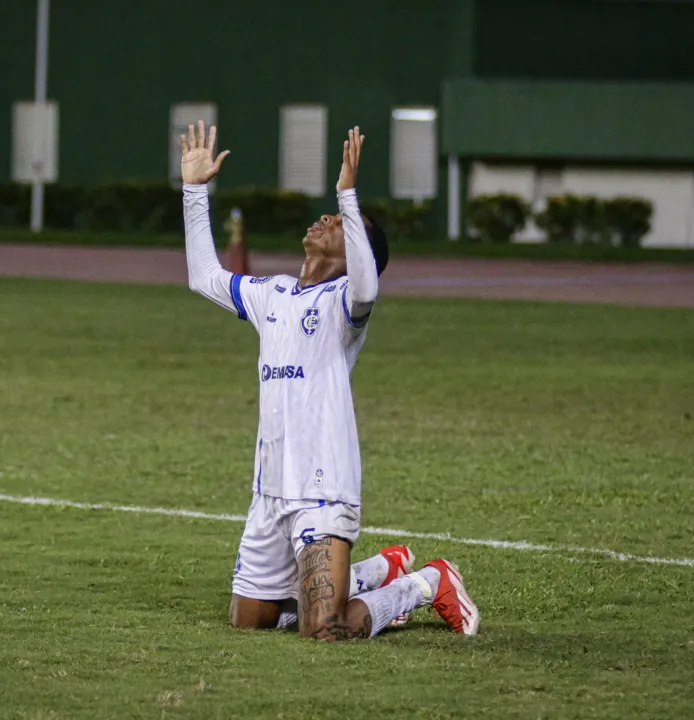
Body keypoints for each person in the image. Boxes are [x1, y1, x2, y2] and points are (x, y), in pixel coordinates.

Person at [181, 121, 479, 639]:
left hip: (323, 491)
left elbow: (367, 285)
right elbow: (202, 276)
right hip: (269, 492)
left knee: (326, 627)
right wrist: (194, 190)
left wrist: (348, 194)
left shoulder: (344, 306)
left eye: (341, 222)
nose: (326, 218)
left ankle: (427, 583)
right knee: (250, 622)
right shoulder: (271, 294)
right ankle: (378, 569)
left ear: (353, 252)